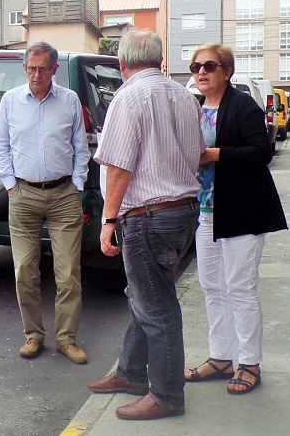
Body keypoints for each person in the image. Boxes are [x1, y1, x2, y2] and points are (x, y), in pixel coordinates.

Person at [86, 29, 204, 420]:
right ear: (160, 61)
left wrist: (108, 221)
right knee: (148, 296)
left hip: (148, 216)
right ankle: (131, 372)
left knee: (157, 308)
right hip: (182, 210)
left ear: (122, 64)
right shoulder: (185, 96)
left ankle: (167, 395)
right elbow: (198, 153)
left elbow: (119, 167)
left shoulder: (129, 96)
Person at [182, 43, 288, 395]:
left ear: (227, 70)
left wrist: (215, 154)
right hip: (208, 211)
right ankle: (221, 356)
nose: (201, 72)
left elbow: (262, 152)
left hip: (242, 210)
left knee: (240, 288)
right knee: (212, 286)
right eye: (196, 66)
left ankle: (249, 362)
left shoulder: (243, 106)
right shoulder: (196, 108)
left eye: (209, 66)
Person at [0, 41, 91, 364]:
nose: (37, 75)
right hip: (23, 195)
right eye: (31, 68)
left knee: (68, 273)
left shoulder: (69, 100)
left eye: (43, 69)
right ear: (24, 68)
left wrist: (77, 184)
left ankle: (67, 338)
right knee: (24, 270)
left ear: (54, 69)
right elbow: (1, 147)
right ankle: (33, 334)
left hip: (64, 195)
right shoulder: (9, 102)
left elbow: (81, 146)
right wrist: (10, 185)